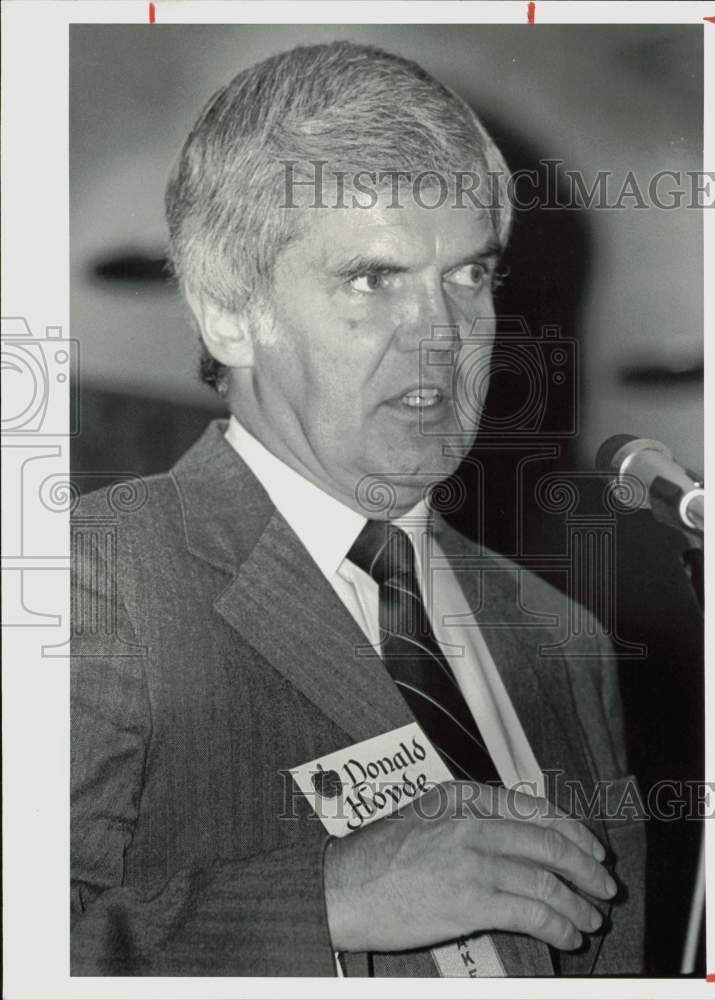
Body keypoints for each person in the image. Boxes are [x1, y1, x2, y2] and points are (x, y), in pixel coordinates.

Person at [70, 40, 645, 977]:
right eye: (372, 280)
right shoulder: (97, 579)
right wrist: (329, 897)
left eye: (470, 277)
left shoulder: (564, 640)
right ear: (227, 310)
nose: (442, 340)